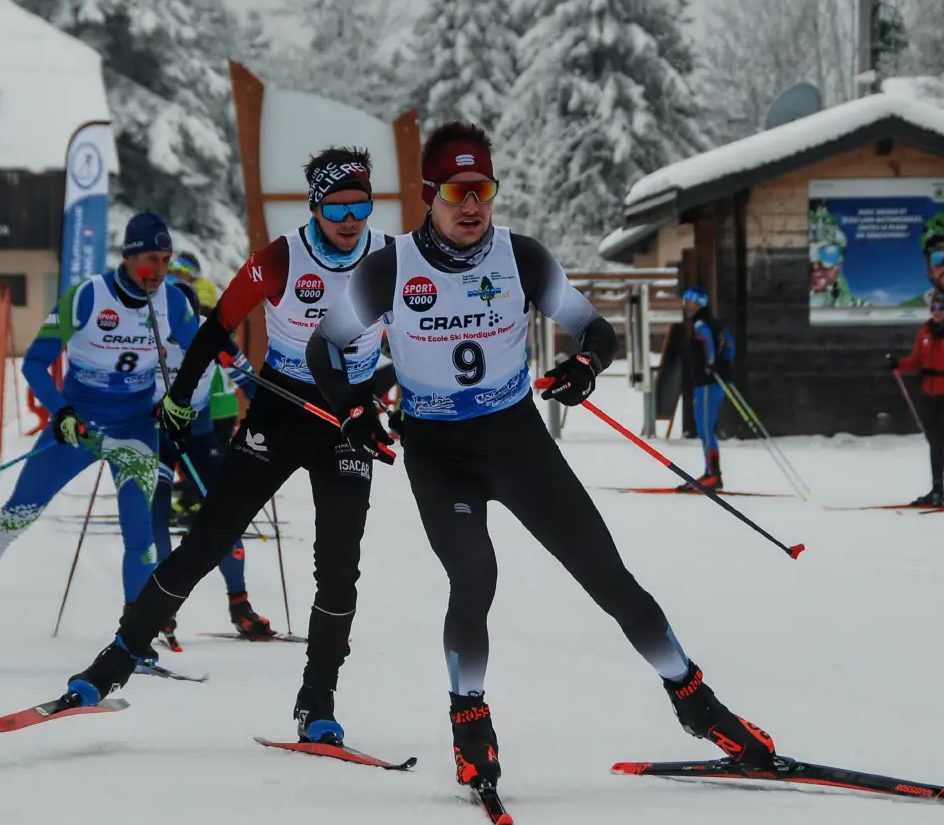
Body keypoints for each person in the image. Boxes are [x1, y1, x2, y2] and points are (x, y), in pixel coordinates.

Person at [305, 121, 777, 790]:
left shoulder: (519, 256)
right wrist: (352, 408)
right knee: (474, 576)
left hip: (516, 439)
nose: (471, 207)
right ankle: (469, 725)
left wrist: (584, 365)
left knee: (607, 575)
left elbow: (596, 329)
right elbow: (322, 348)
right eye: (456, 193)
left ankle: (697, 703)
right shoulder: (389, 268)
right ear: (428, 194)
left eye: (483, 191)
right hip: (439, 452)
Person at [65, 146, 392, 747]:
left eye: (361, 205)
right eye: (337, 206)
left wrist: (379, 399)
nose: (350, 219)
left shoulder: (389, 259)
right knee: (210, 537)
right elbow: (216, 327)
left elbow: (415, 338)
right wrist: (181, 400)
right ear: (316, 206)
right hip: (282, 407)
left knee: (340, 566)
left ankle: (317, 702)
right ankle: (115, 659)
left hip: (346, 417)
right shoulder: (280, 259)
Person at [0, 212, 198, 649]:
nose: (159, 270)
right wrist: (61, 411)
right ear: (129, 257)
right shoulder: (85, 297)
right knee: (16, 514)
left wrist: (179, 400)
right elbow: (35, 362)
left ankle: (135, 636)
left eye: (166, 260)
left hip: (135, 430)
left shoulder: (173, 302)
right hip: (79, 429)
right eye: (150, 259)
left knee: (140, 533)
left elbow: (199, 353)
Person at [151, 278, 273, 641]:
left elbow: (249, 381)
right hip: (154, 437)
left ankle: (240, 604)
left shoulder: (214, 339)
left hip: (199, 435)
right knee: (156, 515)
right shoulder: (148, 337)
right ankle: (160, 607)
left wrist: (266, 415)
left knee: (225, 514)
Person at [888, 289, 944, 508]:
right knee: (935, 443)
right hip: (930, 393)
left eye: (941, 308)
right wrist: (899, 363)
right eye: (933, 308)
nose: (937, 313)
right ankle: (937, 490)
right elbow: (916, 361)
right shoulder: (925, 332)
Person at [679, 286, 734, 491]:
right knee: (705, 427)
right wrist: (725, 366)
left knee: (704, 426)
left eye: (691, 302)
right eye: (686, 301)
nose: (687, 305)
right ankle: (711, 471)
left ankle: (713, 474)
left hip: (707, 383)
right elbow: (730, 343)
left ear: (700, 303)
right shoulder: (715, 323)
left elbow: (709, 346)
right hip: (715, 381)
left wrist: (711, 365)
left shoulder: (701, 324)